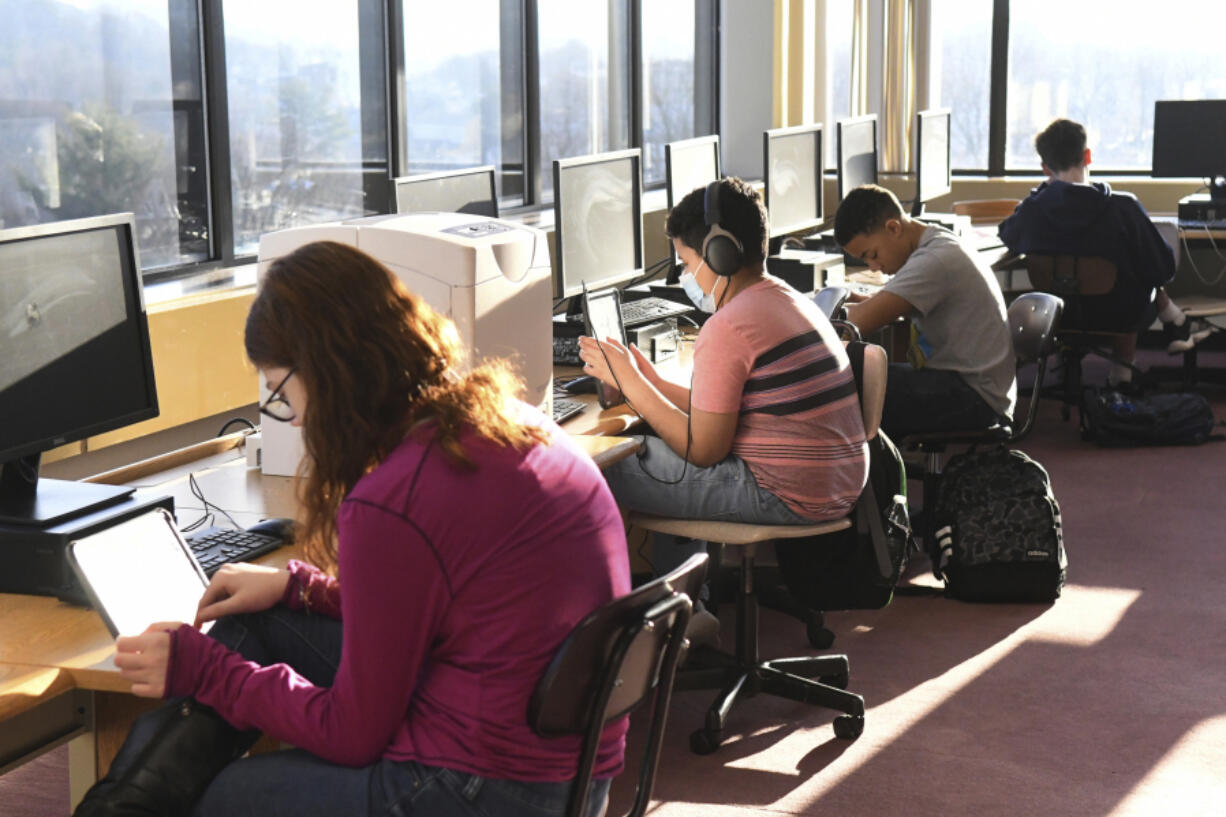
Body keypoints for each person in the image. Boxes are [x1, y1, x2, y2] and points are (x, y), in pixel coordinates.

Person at [73, 241, 631, 817]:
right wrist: (302, 589)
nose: (299, 418)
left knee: (221, 799)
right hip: (571, 769)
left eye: (285, 395)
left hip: (487, 790)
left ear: (329, 375)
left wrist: (205, 669)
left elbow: (353, 733)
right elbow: (441, 601)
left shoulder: (395, 500)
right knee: (258, 620)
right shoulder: (508, 424)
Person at [579, 177, 869, 633]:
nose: (684, 276)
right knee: (656, 441)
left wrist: (632, 385)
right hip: (835, 482)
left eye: (687, 262)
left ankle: (638, 629)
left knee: (596, 471)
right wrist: (650, 383)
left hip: (788, 493)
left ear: (720, 254)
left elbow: (704, 450)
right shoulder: (786, 299)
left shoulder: (730, 325)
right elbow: (718, 410)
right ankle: (690, 608)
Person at [998, 117, 1210, 390]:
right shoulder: (1122, 207)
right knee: (1137, 266)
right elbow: (1163, 268)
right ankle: (1124, 373)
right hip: (1116, 312)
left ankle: (1171, 323)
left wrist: (1039, 195)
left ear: (1044, 167)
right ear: (1087, 155)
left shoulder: (1032, 210)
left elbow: (1008, 235)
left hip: (1052, 316)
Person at [834, 184, 1016, 440]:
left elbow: (858, 324)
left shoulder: (934, 260)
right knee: (860, 376)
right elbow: (887, 304)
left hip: (975, 397)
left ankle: (863, 476)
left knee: (842, 383)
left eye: (872, 254)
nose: (873, 267)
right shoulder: (935, 242)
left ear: (893, 228)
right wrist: (859, 303)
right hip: (975, 385)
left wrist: (803, 315)